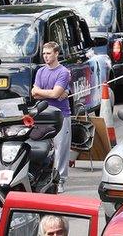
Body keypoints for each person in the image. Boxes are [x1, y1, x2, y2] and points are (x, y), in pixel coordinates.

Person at [31, 42, 71, 192]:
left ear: (56, 54)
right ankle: (43, 178)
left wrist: (43, 92)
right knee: (43, 148)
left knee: (61, 149)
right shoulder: (40, 71)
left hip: (61, 115)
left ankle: (60, 180)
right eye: (44, 54)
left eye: (48, 53)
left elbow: (54, 94)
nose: (45, 56)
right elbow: (34, 94)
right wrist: (52, 93)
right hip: (43, 115)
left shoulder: (63, 72)